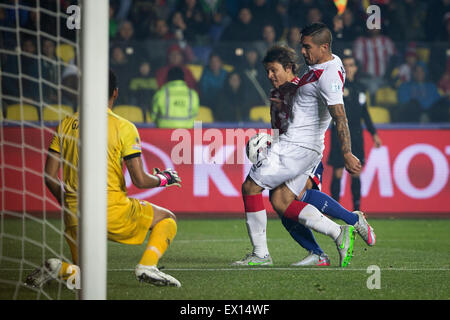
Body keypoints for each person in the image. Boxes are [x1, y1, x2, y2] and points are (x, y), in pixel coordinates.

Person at [233, 24, 377, 268]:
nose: (303, 51)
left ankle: (262, 254)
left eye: (307, 46)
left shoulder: (326, 75)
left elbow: (339, 115)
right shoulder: (321, 69)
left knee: (252, 187)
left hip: (300, 146)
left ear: (323, 47)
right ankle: (334, 237)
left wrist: (346, 152)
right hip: (297, 145)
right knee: (281, 201)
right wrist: (271, 141)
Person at [25, 70, 182, 288]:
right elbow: (139, 180)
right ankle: (147, 265)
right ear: (115, 93)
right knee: (167, 218)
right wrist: (164, 178)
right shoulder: (123, 127)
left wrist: (67, 201)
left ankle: (57, 267)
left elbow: (49, 176)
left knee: (82, 280)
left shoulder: (66, 124)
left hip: (74, 214)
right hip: (112, 210)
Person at [328, 54, 382, 212]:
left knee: (356, 172)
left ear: (356, 68)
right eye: (345, 65)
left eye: (351, 65)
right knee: (338, 171)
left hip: (356, 135)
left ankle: (357, 209)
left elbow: (365, 113)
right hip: (339, 134)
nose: (348, 68)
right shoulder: (336, 86)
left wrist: (374, 134)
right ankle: (334, 208)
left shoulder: (360, 88)